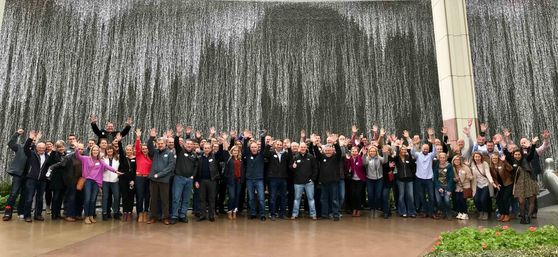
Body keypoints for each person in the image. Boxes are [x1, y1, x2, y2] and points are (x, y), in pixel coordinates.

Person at [75, 145, 121, 224]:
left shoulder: (100, 161)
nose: (95, 151)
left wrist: (115, 171)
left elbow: (107, 167)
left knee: (93, 200)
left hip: (96, 182)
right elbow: (78, 156)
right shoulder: (86, 158)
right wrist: (76, 148)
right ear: (91, 151)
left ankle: (91, 216)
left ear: (98, 152)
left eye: (97, 150)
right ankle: (86, 216)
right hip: (88, 181)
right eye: (94, 150)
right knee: (87, 199)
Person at [146, 128, 176, 225]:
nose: (160, 145)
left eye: (162, 143)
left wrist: (159, 174)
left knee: (164, 199)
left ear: (165, 144)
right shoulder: (155, 152)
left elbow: (170, 167)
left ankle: (165, 217)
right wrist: (151, 137)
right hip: (153, 180)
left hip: (164, 180)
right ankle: (153, 217)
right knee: (153, 199)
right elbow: (149, 146)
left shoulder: (170, 153)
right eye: (158, 143)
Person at [170, 124, 198, 224]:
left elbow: (196, 166)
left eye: (191, 144)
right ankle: (174, 215)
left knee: (186, 199)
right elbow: (176, 143)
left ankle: (182, 215)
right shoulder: (180, 151)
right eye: (187, 144)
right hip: (179, 178)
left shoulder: (194, 155)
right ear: (184, 145)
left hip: (189, 180)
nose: (189, 145)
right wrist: (177, 134)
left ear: (193, 146)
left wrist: (193, 176)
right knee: (176, 198)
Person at [313, 134, 343, 221]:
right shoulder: (322, 157)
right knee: (324, 199)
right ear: (324, 151)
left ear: (332, 151)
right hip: (324, 182)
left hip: (334, 182)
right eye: (326, 150)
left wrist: (335, 143)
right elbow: (316, 152)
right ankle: (324, 214)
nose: (328, 151)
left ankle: (336, 214)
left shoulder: (336, 157)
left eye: (329, 150)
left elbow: (339, 151)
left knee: (334, 199)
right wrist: (314, 144)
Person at [195, 141, 225, 222]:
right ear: (203, 149)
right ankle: (202, 215)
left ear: (211, 149)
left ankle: (211, 215)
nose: (207, 149)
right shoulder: (199, 157)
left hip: (212, 181)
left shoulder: (215, 156)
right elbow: (197, 170)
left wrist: (221, 144)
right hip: (202, 181)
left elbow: (221, 153)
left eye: (208, 148)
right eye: (205, 148)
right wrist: (196, 181)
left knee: (212, 198)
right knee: (202, 199)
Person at [22, 131, 49, 222]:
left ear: (45, 148)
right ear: (36, 148)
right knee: (29, 198)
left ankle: (38, 214)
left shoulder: (48, 157)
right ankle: (27, 215)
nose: (41, 149)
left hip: (42, 180)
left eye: (43, 148)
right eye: (40, 148)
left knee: (40, 198)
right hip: (31, 179)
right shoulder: (32, 154)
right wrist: (30, 138)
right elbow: (26, 148)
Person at [508, 143, 538, 224]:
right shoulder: (512, 162)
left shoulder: (526, 159)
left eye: (519, 154)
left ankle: (528, 216)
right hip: (519, 184)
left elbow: (531, 154)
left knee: (531, 201)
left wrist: (533, 145)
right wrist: (504, 148)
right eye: (515, 154)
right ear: (513, 155)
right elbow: (507, 156)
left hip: (530, 182)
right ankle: (523, 216)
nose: (517, 156)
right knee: (521, 202)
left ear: (521, 155)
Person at [3, 129, 29, 221]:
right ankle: (7, 212)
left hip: (29, 176)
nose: (33, 142)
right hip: (18, 174)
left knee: (25, 194)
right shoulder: (20, 147)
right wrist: (17, 134)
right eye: (31, 140)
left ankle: (21, 211)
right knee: (14, 193)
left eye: (35, 140)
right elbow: (10, 144)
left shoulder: (37, 150)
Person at [242, 130, 267, 221]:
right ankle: (253, 213)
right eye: (252, 147)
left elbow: (264, 147)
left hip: (259, 179)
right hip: (249, 180)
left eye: (255, 147)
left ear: (258, 148)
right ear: (250, 148)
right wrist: (245, 139)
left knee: (261, 198)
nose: (253, 148)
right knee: (251, 198)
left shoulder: (261, 155)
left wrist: (262, 137)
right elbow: (245, 148)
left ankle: (262, 214)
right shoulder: (248, 155)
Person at [290, 142, 318, 220]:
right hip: (298, 182)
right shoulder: (295, 157)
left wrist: (312, 179)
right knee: (297, 199)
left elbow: (315, 169)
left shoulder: (311, 157)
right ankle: (295, 214)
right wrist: (293, 167)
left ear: (306, 148)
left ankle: (313, 214)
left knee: (311, 199)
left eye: (304, 147)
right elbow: (291, 168)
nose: (303, 148)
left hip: (309, 183)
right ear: (299, 148)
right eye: (301, 147)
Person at [264, 139, 290, 220]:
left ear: (282, 145)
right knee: (272, 197)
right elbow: (265, 154)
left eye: (280, 144)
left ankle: (282, 214)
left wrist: (289, 148)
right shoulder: (271, 153)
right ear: (275, 145)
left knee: (283, 197)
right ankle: (273, 214)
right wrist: (268, 145)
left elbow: (291, 160)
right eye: (277, 144)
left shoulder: (285, 154)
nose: (279, 146)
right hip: (273, 179)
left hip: (283, 178)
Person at [410, 142, 437, 219]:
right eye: (424, 148)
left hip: (429, 179)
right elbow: (412, 152)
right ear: (422, 149)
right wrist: (414, 144)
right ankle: (425, 212)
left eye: (427, 149)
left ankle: (431, 213)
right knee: (422, 197)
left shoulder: (431, 155)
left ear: (429, 150)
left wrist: (433, 142)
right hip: (419, 178)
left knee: (431, 196)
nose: (426, 150)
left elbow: (434, 152)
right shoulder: (418, 155)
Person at [362, 145, 388, 218]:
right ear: (369, 152)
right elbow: (364, 163)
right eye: (371, 151)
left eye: (374, 151)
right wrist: (364, 155)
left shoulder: (379, 158)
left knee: (378, 195)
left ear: (376, 152)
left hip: (379, 179)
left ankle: (376, 208)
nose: (372, 152)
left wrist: (385, 153)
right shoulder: (367, 158)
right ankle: (371, 208)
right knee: (370, 195)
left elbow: (385, 161)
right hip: (369, 179)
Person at [470, 151, 497, 220]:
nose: (477, 158)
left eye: (478, 156)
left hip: (485, 184)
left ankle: (485, 213)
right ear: (473, 157)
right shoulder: (472, 164)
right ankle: (480, 212)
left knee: (483, 199)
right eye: (476, 157)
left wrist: (492, 182)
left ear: (481, 157)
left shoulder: (484, 164)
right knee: (476, 199)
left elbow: (487, 173)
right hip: (477, 185)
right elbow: (471, 174)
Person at [391, 145, 416, 218]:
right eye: (402, 149)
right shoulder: (397, 158)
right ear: (400, 150)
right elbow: (392, 159)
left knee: (410, 196)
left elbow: (412, 166)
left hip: (409, 179)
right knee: (401, 196)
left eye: (405, 150)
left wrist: (412, 175)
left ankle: (411, 212)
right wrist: (397, 146)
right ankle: (403, 211)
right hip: (400, 179)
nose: (404, 151)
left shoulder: (408, 157)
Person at [134, 129, 152, 222]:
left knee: (147, 196)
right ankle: (140, 213)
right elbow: (137, 147)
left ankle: (145, 212)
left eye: (146, 149)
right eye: (143, 149)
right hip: (139, 178)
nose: (144, 150)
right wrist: (138, 137)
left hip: (148, 178)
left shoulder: (151, 158)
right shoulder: (138, 155)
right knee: (140, 196)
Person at [489, 153, 513, 222]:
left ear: (498, 158)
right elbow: (493, 177)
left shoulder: (503, 163)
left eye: (496, 158)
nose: (495, 160)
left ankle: (507, 215)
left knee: (505, 198)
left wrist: (504, 161)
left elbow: (510, 169)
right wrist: (496, 184)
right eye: (493, 158)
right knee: (499, 199)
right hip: (500, 185)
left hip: (508, 183)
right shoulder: (491, 167)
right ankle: (502, 213)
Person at [223, 145, 244, 220]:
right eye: (234, 150)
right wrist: (225, 141)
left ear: (239, 152)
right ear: (231, 151)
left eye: (237, 151)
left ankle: (234, 211)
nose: (235, 152)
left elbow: (242, 171)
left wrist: (242, 180)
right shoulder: (228, 159)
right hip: (231, 181)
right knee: (232, 196)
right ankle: (229, 211)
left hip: (238, 181)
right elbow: (225, 152)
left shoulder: (240, 160)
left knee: (237, 197)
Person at [101, 145, 121, 220]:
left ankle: (116, 212)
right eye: (108, 150)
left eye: (111, 150)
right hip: (105, 180)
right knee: (105, 197)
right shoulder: (103, 158)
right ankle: (105, 213)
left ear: (113, 150)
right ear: (106, 151)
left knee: (116, 197)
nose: (109, 151)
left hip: (115, 180)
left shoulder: (118, 158)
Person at [433, 152, 454, 220]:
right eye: (441, 157)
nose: (442, 159)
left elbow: (451, 178)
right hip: (438, 186)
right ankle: (443, 212)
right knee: (439, 201)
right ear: (439, 158)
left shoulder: (449, 166)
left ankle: (449, 212)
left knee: (447, 200)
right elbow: (435, 178)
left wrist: (448, 189)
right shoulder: (436, 165)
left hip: (447, 186)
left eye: (443, 157)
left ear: (446, 158)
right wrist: (439, 187)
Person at [345, 146, 365, 217]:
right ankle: (354, 209)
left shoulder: (360, 158)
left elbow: (360, 165)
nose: (354, 153)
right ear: (351, 152)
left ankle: (358, 209)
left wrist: (359, 156)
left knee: (358, 194)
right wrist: (348, 160)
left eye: (356, 151)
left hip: (360, 180)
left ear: (358, 152)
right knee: (353, 194)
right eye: (353, 151)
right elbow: (347, 168)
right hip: (352, 180)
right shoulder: (350, 159)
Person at [452, 156, 473, 220]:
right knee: (457, 199)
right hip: (458, 185)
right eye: (455, 160)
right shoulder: (453, 168)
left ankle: (465, 213)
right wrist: (455, 179)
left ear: (460, 161)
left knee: (462, 200)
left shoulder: (465, 167)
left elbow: (471, 177)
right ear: (453, 161)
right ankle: (460, 212)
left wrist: (467, 176)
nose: (457, 161)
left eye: (458, 160)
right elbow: (452, 178)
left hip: (465, 185)